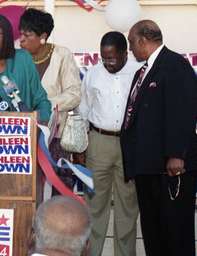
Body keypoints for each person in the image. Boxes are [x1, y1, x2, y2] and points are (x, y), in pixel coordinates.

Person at [120, 20, 197, 256]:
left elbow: (183, 112)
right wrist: (135, 166)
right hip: (147, 169)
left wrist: (176, 155)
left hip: (170, 169)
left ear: (143, 40)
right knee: (154, 234)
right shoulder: (142, 72)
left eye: (131, 43)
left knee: (175, 234)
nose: (131, 49)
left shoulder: (174, 65)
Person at [78, 32, 140, 256]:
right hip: (99, 142)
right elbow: (83, 110)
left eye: (112, 59)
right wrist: (81, 146)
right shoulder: (93, 74)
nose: (107, 64)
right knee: (94, 206)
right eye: (103, 58)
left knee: (128, 207)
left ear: (125, 54)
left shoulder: (139, 72)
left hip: (129, 145)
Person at [19, 8, 81, 194]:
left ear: (43, 36)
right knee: (26, 187)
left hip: (54, 135)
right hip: (22, 134)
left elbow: (74, 94)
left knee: (56, 188)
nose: (21, 39)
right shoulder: (16, 57)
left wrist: (43, 106)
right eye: (20, 34)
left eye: (27, 35)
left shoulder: (62, 55)